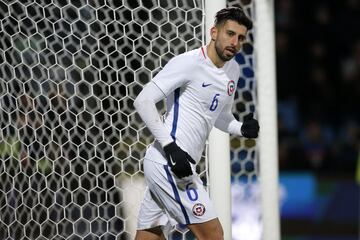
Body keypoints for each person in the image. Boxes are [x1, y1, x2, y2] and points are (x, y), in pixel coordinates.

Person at [134, 7, 259, 240]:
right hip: (168, 162)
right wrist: (171, 148)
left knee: (150, 236)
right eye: (230, 34)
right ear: (214, 32)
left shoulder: (234, 70)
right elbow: (143, 101)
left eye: (240, 37)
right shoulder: (188, 63)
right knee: (213, 235)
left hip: (178, 163)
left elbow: (220, 116)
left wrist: (240, 128)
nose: (235, 42)